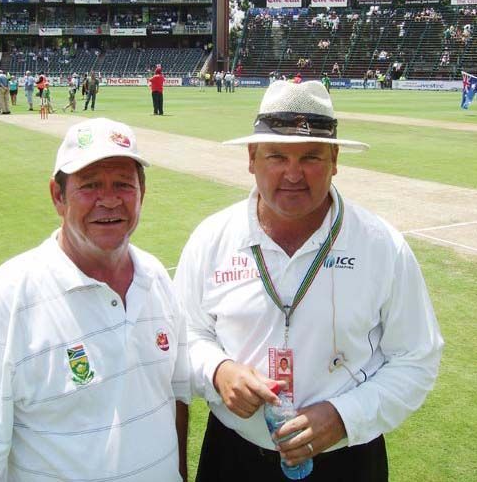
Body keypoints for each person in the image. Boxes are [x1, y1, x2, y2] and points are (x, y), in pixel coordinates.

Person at [174, 80, 443, 482]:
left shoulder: (381, 245)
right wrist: (218, 370)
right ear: (252, 157)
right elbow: (184, 336)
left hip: (347, 458)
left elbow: (417, 358)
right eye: (277, 155)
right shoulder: (211, 238)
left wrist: (344, 416)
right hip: (234, 456)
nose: (293, 174)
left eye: (312, 157)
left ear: (335, 159)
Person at [0, 117, 190, 482]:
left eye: (123, 184)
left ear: (142, 193)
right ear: (57, 196)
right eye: (90, 186)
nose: (109, 200)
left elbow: (176, 400)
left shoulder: (156, 278)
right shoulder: (5, 300)